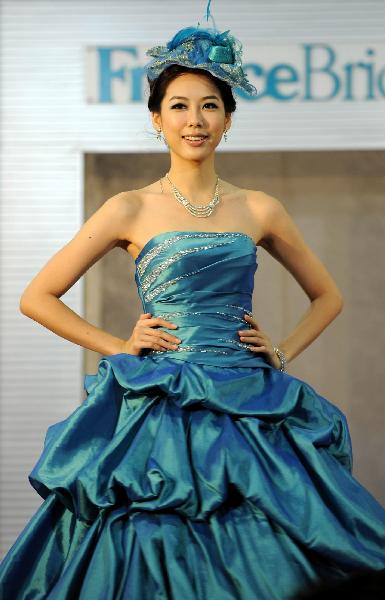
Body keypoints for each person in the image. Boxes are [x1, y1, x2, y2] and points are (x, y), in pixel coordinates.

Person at [1, 9, 385, 600]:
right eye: (179, 106)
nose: (194, 120)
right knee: (148, 531)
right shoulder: (128, 207)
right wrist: (121, 347)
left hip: (248, 396)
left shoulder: (259, 208)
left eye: (209, 105)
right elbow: (36, 297)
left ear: (228, 119)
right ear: (156, 120)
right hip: (162, 399)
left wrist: (280, 351)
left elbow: (328, 296)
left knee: (273, 538)